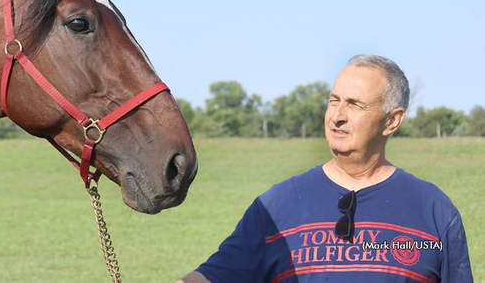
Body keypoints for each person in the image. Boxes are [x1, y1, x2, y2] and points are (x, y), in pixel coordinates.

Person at [177, 55, 473, 283]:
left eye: (355, 104)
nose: (337, 116)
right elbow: (214, 277)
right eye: (334, 101)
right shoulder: (276, 206)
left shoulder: (433, 210)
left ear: (392, 120)